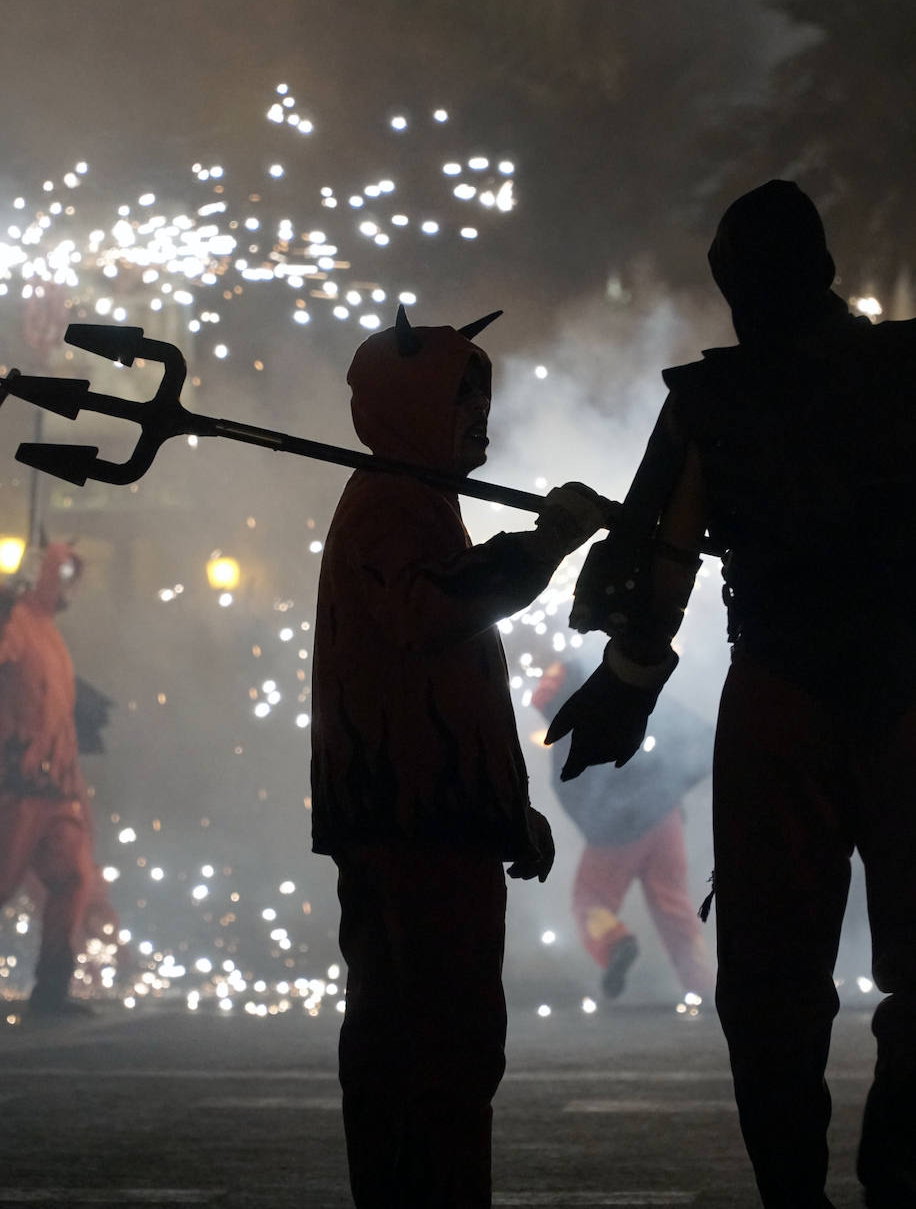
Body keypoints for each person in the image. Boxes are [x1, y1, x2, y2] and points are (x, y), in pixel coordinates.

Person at [546, 180, 916, 1209]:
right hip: (872, 693)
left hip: (801, 697)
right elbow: (657, 570)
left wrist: (626, 680)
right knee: (808, 985)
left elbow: (653, 570)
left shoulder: (716, 403)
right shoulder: (892, 374)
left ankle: (823, 1190)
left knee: (768, 986)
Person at [311, 306, 609, 1209]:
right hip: (415, 824)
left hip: (423, 816)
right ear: (414, 407)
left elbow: (454, 687)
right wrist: (547, 545)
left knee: (418, 1050)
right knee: (437, 1054)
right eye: (462, 402)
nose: (481, 422)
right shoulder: (395, 506)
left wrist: (502, 809)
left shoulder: (416, 501)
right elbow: (433, 614)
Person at [532, 658, 714, 1006]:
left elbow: (576, 793)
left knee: (590, 901)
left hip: (618, 834)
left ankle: (615, 943)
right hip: (666, 819)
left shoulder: (573, 736)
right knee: (674, 907)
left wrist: (601, 830)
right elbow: (680, 737)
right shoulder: (627, 693)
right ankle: (703, 987)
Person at [0, 542, 98, 1017]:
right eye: (59, 572)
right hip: (15, 785)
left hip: (53, 787)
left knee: (71, 879)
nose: (66, 585)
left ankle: (52, 989)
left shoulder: (46, 629)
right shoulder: (15, 621)